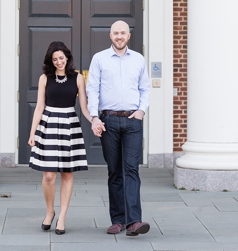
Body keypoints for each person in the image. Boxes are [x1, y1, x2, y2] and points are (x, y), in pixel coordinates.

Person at [86, 20, 151, 237]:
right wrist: (94, 117)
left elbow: (145, 88)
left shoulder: (139, 60)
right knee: (114, 172)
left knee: (131, 170)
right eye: (116, 33)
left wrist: (141, 111)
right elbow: (92, 90)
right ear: (110, 35)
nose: (119, 36)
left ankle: (134, 221)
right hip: (108, 122)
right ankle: (118, 220)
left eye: (123, 33)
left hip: (132, 121)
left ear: (129, 35)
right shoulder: (99, 59)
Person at [28, 41, 91, 235]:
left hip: (69, 126)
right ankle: (50, 211)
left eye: (61, 58)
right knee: (48, 175)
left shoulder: (78, 78)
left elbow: (84, 107)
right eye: (55, 59)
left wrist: (94, 121)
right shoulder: (44, 78)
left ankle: (62, 216)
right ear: (51, 60)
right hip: (48, 124)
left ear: (67, 57)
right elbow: (39, 107)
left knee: (67, 174)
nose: (58, 62)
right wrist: (32, 132)